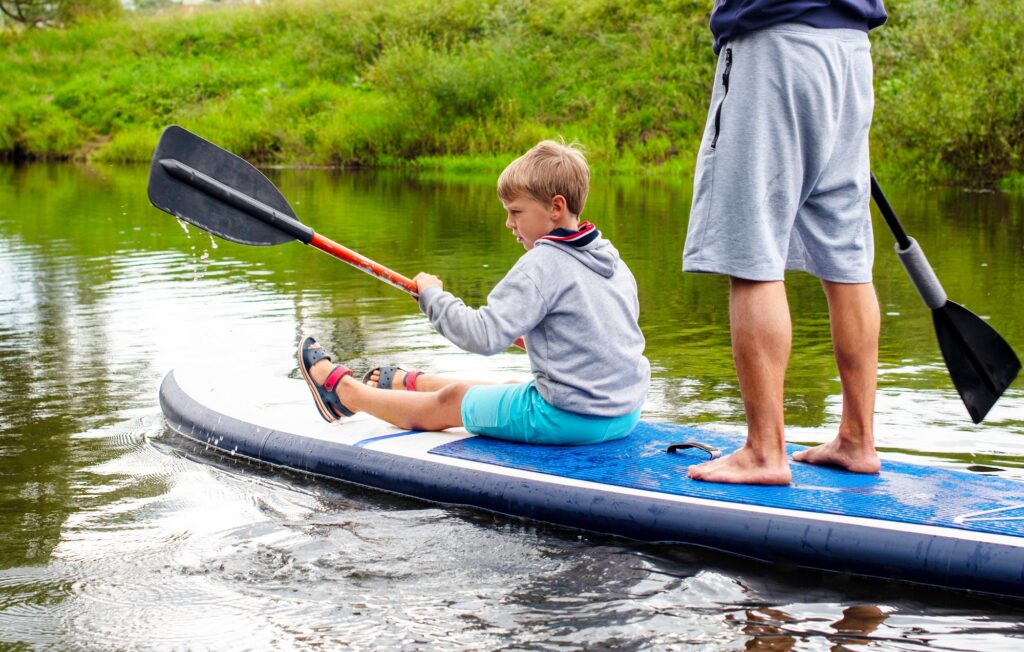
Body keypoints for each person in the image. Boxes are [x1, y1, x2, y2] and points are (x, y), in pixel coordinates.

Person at [299, 140, 650, 445]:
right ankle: (413, 383)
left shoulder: (543, 264)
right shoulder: (611, 259)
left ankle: (344, 394)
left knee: (453, 400)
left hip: (570, 420)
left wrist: (433, 297)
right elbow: (602, 334)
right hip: (624, 414)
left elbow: (482, 337)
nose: (509, 224)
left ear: (555, 207)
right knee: (516, 385)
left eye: (516, 212)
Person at [682, 1, 889, 484]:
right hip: (850, 49)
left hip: (775, 43)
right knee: (847, 256)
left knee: (751, 248)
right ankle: (857, 440)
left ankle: (764, 451)